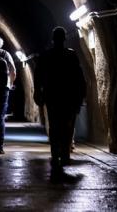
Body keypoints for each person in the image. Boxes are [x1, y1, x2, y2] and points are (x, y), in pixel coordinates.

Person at [33, 26, 86, 170]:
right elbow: (79, 76)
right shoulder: (71, 54)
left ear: (52, 39)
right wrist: (81, 94)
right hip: (69, 96)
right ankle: (65, 154)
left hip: (52, 95)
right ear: (65, 38)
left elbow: (38, 76)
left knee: (55, 125)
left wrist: (37, 91)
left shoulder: (46, 55)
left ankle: (55, 153)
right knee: (68, 125)